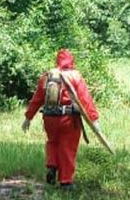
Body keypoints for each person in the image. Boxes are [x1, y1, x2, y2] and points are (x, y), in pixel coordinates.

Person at [22, 49, 100, 191]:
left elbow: (37, 99)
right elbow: (86, 100)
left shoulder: (47, 76)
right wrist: (94, 120)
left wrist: (28, 117)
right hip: (68, 119)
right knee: (67, 147)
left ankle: (52, 166)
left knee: (52, 142)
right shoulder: (75, 77)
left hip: (49, 118)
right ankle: (66, 181)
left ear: (57, 61)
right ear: (72, 61)